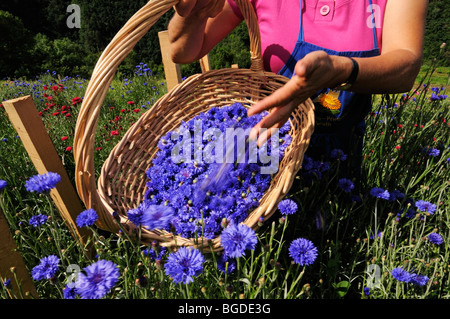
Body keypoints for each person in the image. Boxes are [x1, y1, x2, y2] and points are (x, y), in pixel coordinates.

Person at [167, 0, 428, 179]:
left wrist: (342, 70)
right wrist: (195, 11)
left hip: (340, 157)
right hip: (266, 153)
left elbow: (405, 66)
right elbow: (183, 51)